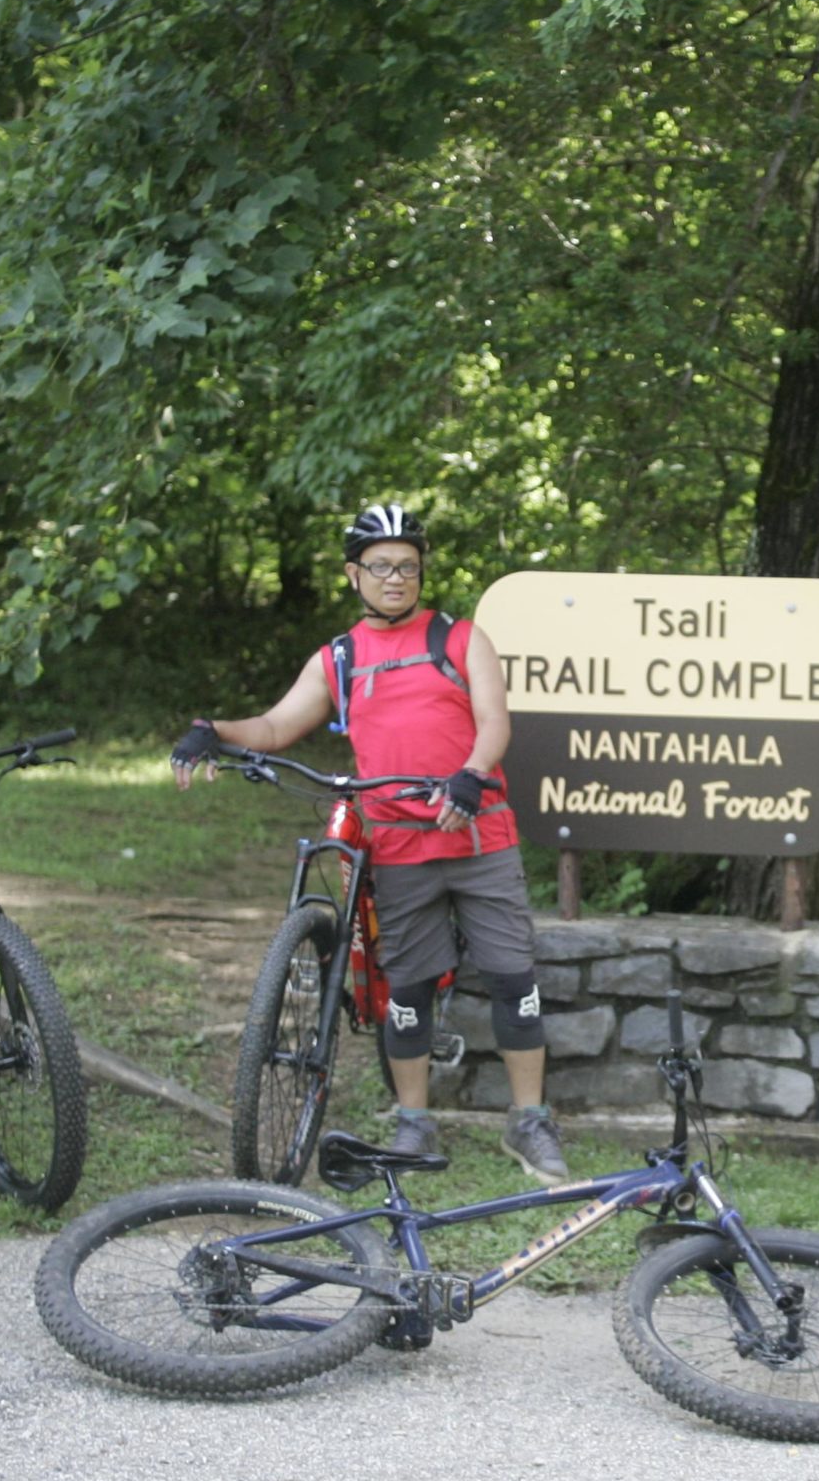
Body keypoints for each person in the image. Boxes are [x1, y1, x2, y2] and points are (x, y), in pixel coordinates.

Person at [168, 503, 569, 1183]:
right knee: (405, 986)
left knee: (512, 978)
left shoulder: (460, 637)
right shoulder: (341, 657)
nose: (396, 578)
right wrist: (215, 728)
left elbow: (494, 722)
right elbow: (273, 726)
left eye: (408, 566)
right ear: (354, 573)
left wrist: (471, 776)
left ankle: (529, 1121)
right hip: (400, 845)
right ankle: (412, 1123)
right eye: (381, 566)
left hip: (477, 834)